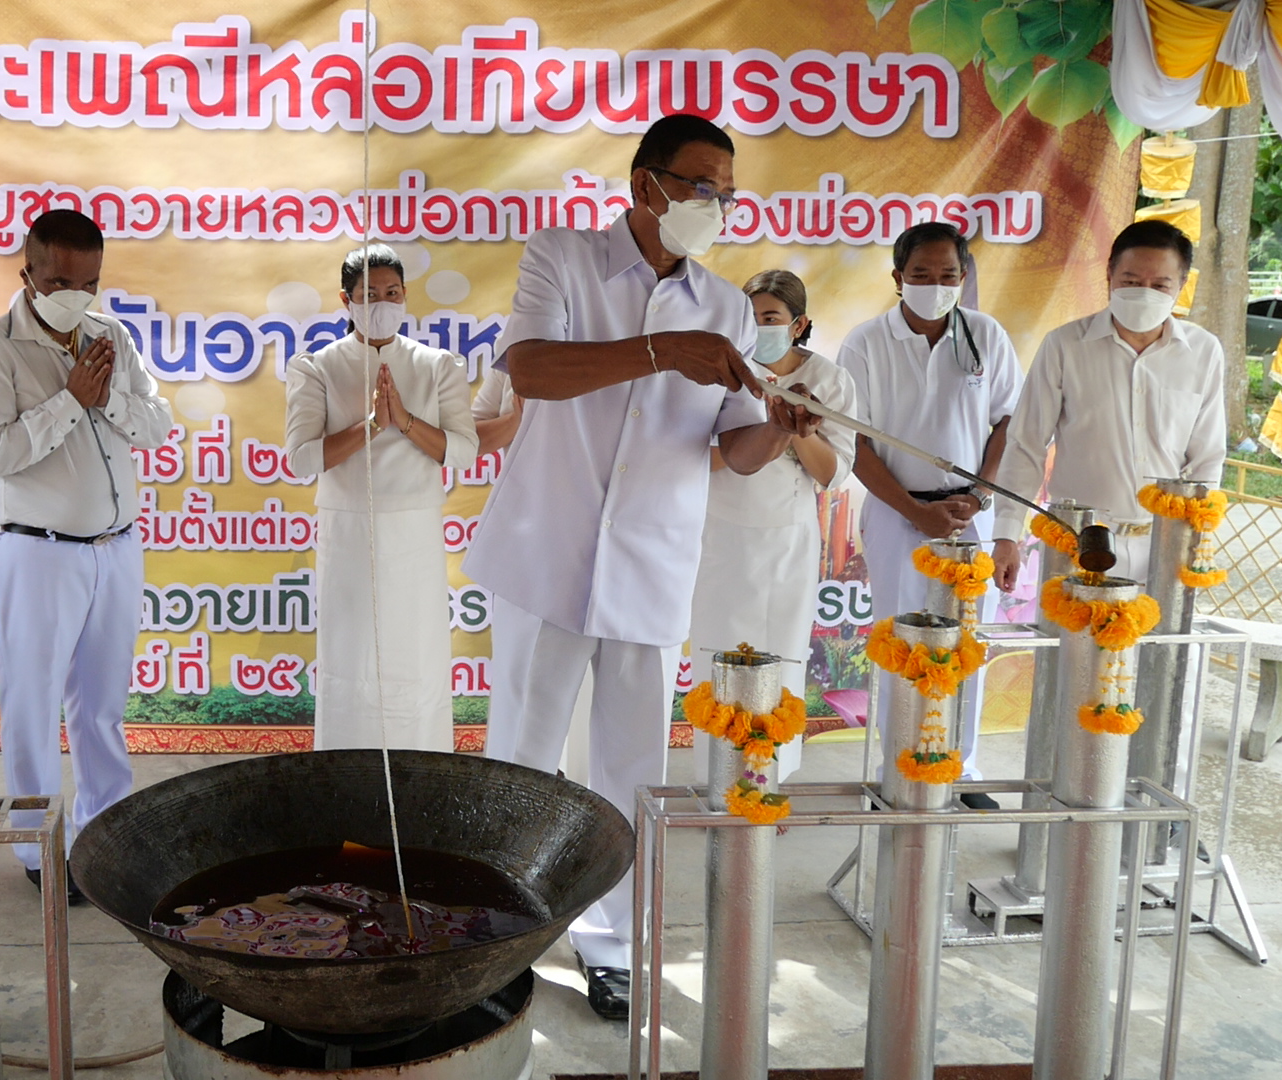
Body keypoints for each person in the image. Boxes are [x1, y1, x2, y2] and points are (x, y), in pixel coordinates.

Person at [465, 113, 817, 1020]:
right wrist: (662, 353)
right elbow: (531, 371)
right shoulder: (564, 257)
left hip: (653, 566)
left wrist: (780, 430)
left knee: (630, 768)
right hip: (546, 552)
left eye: (727, 193)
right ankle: (498, 941)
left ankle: (613, 945)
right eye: (700, 185)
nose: (716, 205)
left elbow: (733, 449)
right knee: (521, 759)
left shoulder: (727, 305)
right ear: (644, 185)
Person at [0, 209, 172, 902]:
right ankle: (37, 848)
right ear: (28, 272)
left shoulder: (112, 337)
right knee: (31, 704)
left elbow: (157, 425)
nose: (74, 295)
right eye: (59, 282)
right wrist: (72, 401)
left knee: (102, 706)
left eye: (88, 283)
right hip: (38, 553)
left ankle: (105, 835)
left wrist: (106, 402)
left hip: (117, 548)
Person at [835, 222, 1020, 803]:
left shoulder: (986, 334)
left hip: (971, 515)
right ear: (898, 278)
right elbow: (854, 442)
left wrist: (980, 497)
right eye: (921, 274)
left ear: (962, 278)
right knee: (901, 642)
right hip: (896, 515)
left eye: (947, 275)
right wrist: (914, 510)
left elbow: (1008, 425)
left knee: (966, 644)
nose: (935, 286)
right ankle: (899, 769)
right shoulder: (866, 343)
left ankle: (961, 770)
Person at [283, 245, 477, 752]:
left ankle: (421, 780)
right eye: (369, 295)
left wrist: (405, 421)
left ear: (406, 296)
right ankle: (347, 782)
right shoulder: (318, 367)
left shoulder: (437, 365)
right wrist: (370, 426)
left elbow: (462, 451)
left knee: (415, 661)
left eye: (392, 293)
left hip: (414, 535)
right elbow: (302, 458)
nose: (383, 304)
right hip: (349, 535)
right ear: (345, 300)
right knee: (352, 664)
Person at [991, 220, 1226, 588]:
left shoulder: (1203, 351)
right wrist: (1006, 534)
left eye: (1159, 285)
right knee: (1071, 627)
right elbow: (1026, 444)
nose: (1143, 294)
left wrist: (1199, 533)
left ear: (1181, 286)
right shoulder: (1065, 346)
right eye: (1131, 282)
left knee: (1161, 628)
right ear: (1109, 276)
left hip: (1166, 544)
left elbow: (1207, 456)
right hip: (1078, 541)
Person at [690, 270, 858, 782]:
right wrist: (764, 435)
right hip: (721, 536)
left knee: (781, 657)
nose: (760, 328)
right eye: (751, 318)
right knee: (719, 656)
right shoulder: (720, 374)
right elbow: (695, 455)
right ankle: (722, 779)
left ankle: (768, 781)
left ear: (798, 324)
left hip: (790, 538)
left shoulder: (828, 380)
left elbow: (832, 472)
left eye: (771, 318)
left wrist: (794, 425)